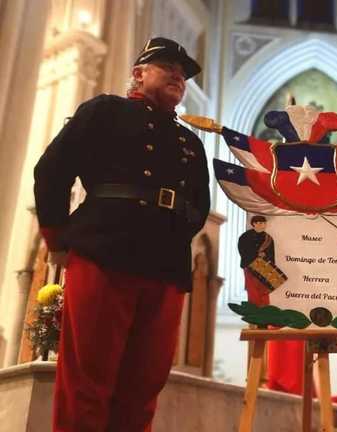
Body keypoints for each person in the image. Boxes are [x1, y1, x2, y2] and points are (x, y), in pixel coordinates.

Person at [33, 37, 210, 431]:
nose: (178, 76)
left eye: (183, 74)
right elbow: (51, 172)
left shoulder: (190, 141)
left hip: (165, 267)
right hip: (104, 252)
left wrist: (174, 232)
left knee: (144, 385)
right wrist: (57, 240)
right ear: (138, 73)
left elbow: (199, 205)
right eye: (168, 66)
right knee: (88, 381)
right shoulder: (105, 111)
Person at [238, 215, 276, 305]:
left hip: (265, 266)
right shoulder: (245, 237)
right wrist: (256, 255)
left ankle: (264, 312)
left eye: (263, 223)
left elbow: (272, 255)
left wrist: (271, 268)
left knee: (264, 290)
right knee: (252, 289)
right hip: (249, 265)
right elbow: (243, 251)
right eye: (259, 223)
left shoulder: (269, 238)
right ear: (254, 224)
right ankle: (254, 311)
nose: (262, 225)